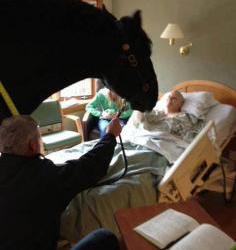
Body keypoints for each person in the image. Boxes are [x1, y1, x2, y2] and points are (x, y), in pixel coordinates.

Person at [0, 115, 122, 250]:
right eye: (40, 138)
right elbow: (89, 167)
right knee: (105, 237)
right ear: (33, 145)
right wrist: (110, 136)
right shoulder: (45, 176)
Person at [130, 90, 204, 143]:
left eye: (174, 99)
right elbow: (137, 120)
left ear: (181, 104)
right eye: (169, 97)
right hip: (141, 140)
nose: (170, 99)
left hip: (161, 145)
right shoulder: (155, 112)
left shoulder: (183, 117)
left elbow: (188, 135)